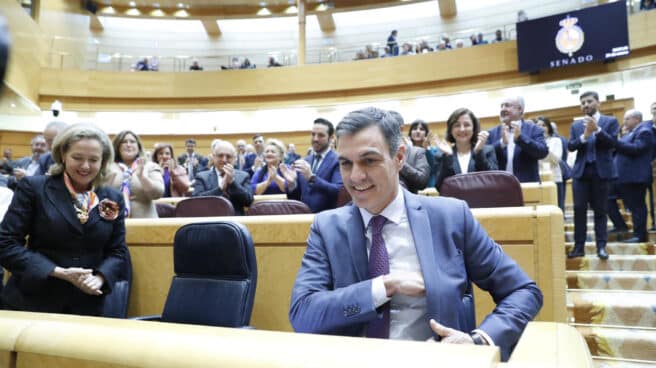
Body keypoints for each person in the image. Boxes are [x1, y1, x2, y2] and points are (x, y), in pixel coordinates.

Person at [289, 107, 542, 362]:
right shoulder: (327, 227)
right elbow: (303, 315)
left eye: (369, 160)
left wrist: (478, 340)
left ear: (399, 157)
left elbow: (523, 291)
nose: (355, 176)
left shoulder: (450, 217)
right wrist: (385, 286)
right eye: (346, 163)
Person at [0, 123, 129, 315]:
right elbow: (6, 243)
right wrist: (58, 271)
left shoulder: (112, 197)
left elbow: (117, 251)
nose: (85, 166)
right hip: (32, 302)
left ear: (103, 161)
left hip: (87, 306)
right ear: (63, 155)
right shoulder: (34, 188)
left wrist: (100, 277)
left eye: (93, 159)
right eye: (77, 158)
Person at [567, 91, 619, 260]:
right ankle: (579, 247)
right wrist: (585, 136)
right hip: (581, 173)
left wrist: (597, 130)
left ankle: (601, 247)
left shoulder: (610, 121)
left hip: (601, 172)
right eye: (582, 103)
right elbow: (571, 146)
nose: (585, 105)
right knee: (579, 210)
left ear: (598, 103)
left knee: (601, 211)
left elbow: (613, 143)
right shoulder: (576, 126)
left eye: (589, 101)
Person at [607, 109, 654, 243]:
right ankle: (620, 226)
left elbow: (637, 149)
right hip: (621, 177)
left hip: (635, 177)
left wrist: (616, 142)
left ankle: (640, 236)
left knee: (637, 207)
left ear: (636, 119)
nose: (624, 121)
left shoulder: (645, 131)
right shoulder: (632, 133)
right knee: (607, 199)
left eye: (627, 119)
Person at [281, 118, 343, 213]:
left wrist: (312, 178)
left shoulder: (338, 160)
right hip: (304, 218)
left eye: (321, 135)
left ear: (331, 138)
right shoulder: (305, 161)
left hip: (327, 218)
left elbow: (338, 192)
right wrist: (292, 184)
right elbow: (296, 197)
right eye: (313, 134)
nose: (315, 139)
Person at [487, 97, 548, 182]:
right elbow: (486, 157)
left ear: (520, 109)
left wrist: (521, 138)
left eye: (507, 105)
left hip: (527, 187)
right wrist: (501, 143)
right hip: (499, 187)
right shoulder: (492, 132)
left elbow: (543, 152)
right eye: (502, 106)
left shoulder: (534, 129)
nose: (503, 109)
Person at [433, 108, 497, 190]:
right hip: (455, 202)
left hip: (482, 201)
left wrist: (478, 153)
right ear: (451, 130)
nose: (462, 129)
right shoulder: (441, 155)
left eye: (466, 125)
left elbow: (493, 181)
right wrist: (448, 157)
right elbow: (440, 187)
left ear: (473, 128)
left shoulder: (487, 150)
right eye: (457, 125)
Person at [105, 130, 164, 218]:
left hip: (145, 223)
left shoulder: (149, 166)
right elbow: (98, 194)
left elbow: (158, 193)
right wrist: (109, 177)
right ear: (117, 146)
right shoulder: (108, 166)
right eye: (124, 142)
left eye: (132, 142)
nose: (129, 145)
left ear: (138, 146)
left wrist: (142, 178)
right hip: (113, 223)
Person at [192, 140, 253, 215]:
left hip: (235, 223)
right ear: (214, 157)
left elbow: (248, 202)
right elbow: (195, 202)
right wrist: (219, 189)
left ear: (234, 159)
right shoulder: (201, 176)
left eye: (228, 156)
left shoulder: (244, 176)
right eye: (220, 155)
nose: (224, 160)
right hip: (210, 222)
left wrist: (232, 182)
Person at [389, 111, 430, 193]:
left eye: (390, 127)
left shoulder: (417, 152)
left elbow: (422, 181)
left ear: (400, 129)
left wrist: (400, 162)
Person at [535, 117, 565, 212]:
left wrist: (544, 149)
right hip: (538, 178)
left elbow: (556, 159)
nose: (541, 128)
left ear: (548, 127)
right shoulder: (533, 143)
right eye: (538, 125)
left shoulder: (556, 140)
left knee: (557, 208)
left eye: (543, 125)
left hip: (555, 177)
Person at [407, 119, 440, 188]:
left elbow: (434, 169)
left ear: (426, 133)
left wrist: (426, 150)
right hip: (409, 187)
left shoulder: (433, 150)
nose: (418, 131)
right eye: (415, 129)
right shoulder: (406, 150)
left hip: (429, 188)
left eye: (421, 129)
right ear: (410, 133)